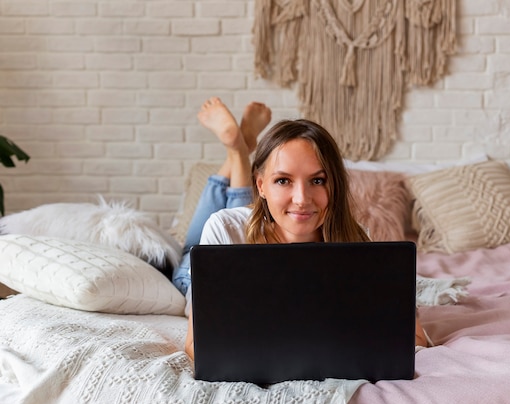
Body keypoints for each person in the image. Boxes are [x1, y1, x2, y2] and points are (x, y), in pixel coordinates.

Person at [182, 102, 429, 359]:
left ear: (335, 186)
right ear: (261, 185)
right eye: (283, 180)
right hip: (186, 276)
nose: (302, 199)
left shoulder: (357, 243)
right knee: (202, 235)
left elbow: (416, 340)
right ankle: (237, 153)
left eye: (317, 181)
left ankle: (240, 150)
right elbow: (196, 345)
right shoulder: (224, 231)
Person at [171, 97, 272, 296]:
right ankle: (238, 149)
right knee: (234, 232)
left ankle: (238, 149)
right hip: (195, 266)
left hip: (191, 264)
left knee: (225, 234)